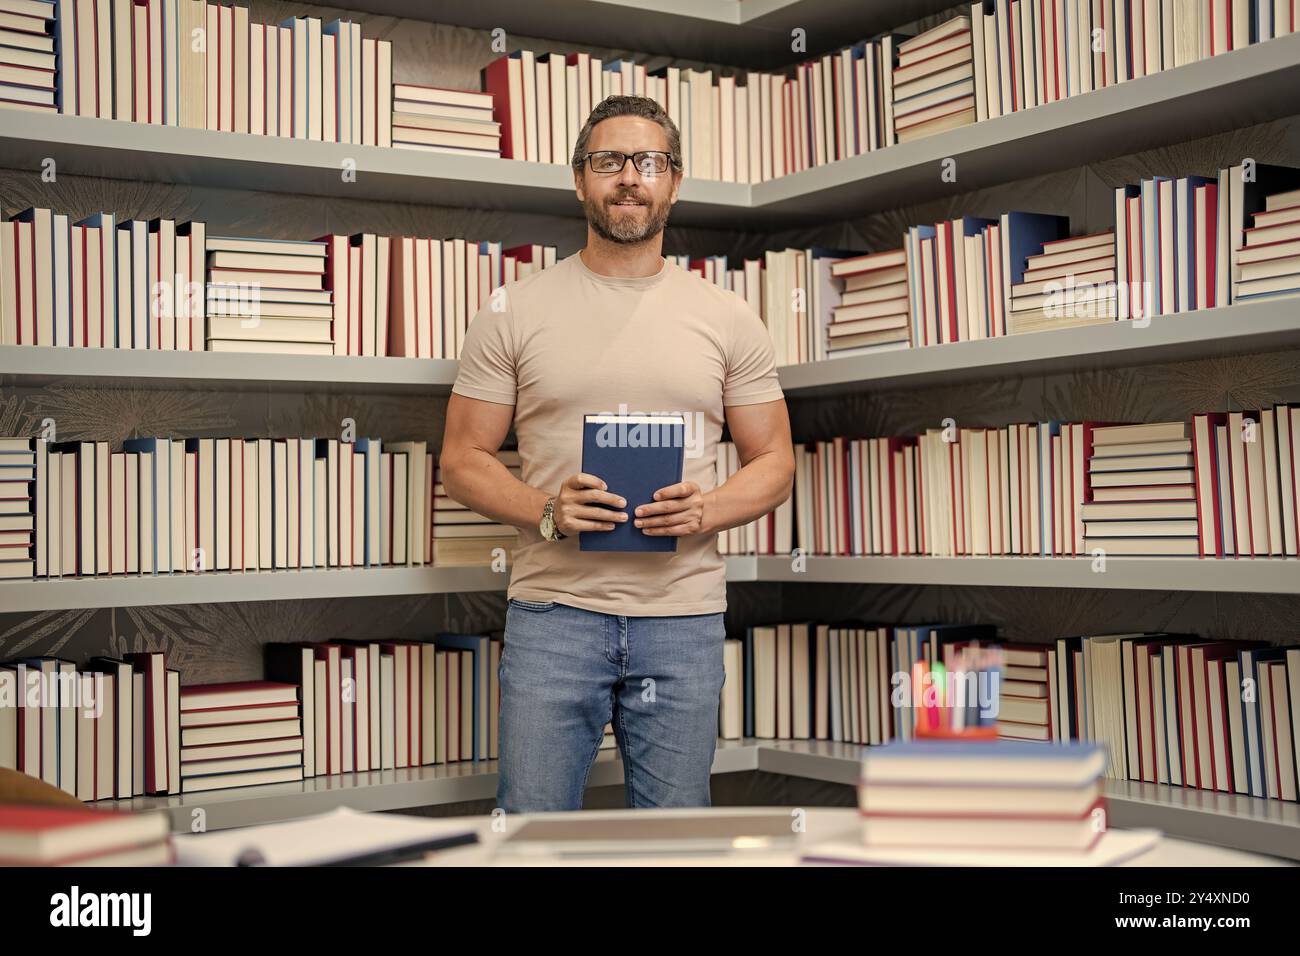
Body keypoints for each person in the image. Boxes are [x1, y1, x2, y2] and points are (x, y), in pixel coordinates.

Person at [439, 94, 794, 812]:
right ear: (580, 180)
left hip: (684, 620)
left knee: (673, 845)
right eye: (608, 161)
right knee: (530, 836)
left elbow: (777, 460)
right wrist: (546, 509)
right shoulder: (514, 309)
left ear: (674, 179)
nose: (629, 177)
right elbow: (461, 458)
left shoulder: (727, 315)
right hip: (554, 615)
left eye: (648, 162)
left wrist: (709, 510)